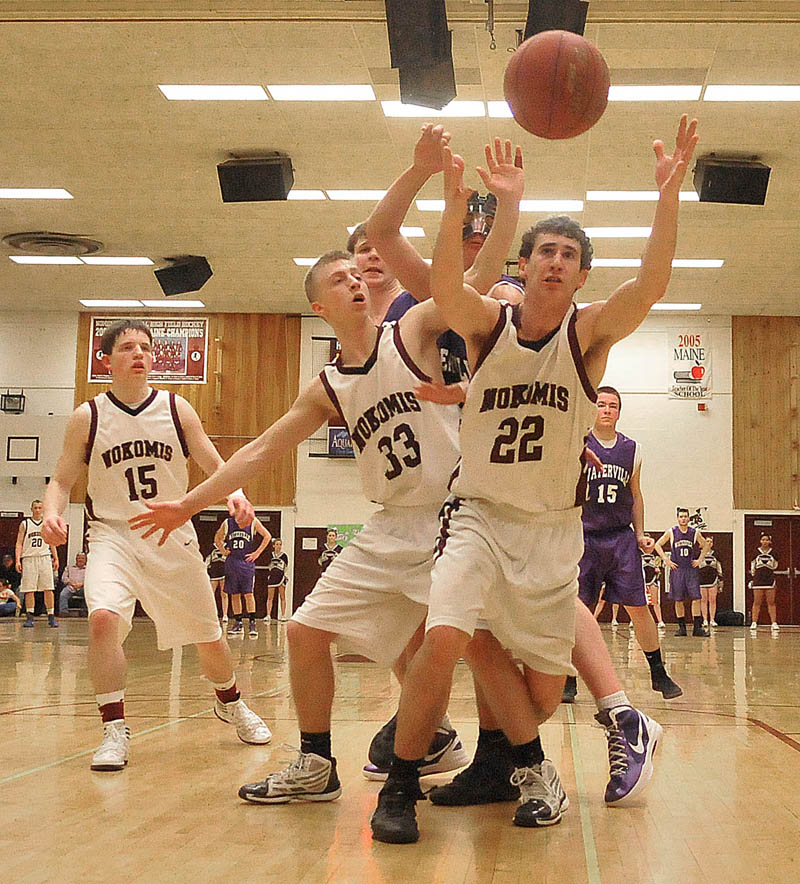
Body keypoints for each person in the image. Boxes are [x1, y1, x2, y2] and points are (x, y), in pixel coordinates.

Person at [370, 114, 698, 844]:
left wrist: (667, 195)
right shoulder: (487, 324)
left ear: (582, 275)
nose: (555, 261)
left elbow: (651, 284)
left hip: (552, 533)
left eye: (568, 254)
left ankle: (525, 760)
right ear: (524, 263)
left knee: (542, 699)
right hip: (479, 515)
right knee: (445, 637)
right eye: (544, 250)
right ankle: (399, 785)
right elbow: (445, 284)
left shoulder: (590, 333)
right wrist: (458, 204)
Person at [128, 242, 472, 806]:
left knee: (467, 650)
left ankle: (502, 754)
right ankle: (317, 763)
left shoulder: (410, 332)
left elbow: (461, 291)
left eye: (357, 274)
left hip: (453, 517)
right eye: (339, 279)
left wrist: (474, 223)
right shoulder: (327, 385)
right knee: (304, 631)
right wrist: (188, 504)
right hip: (390, 523)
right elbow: (262, 449)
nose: (355, 281)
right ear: (319, 308)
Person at [41, 318, 272, 772]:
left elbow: (214, 463)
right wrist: (52, 512)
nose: (140, 354)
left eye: (145, 347)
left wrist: (235, 494)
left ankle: (231, 702)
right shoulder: (88, 417)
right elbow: (62, 479)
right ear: (106, 360)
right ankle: (113, 729)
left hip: (171, 534)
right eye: (128, 347)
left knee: (209, 637)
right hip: (113, 535)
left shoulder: (175, 408)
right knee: (103, 621)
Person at [567, 387, 682, 700]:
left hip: (620, 538)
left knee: (638, 606)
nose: (606, 410)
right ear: (593, 409)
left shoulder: (633, 449)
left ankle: (658, 673)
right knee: (578, 610)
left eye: (612, 406)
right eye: (601, 404)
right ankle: (568, 677)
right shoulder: (577, 444)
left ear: (619, 412)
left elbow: (636, 494)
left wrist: (640, 532)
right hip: (585, 537)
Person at [215, 514, 271, 637]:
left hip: (246, 562)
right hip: (232, 562)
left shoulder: (253, 521)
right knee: (234, 594)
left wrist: (257, 553)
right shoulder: (227, 523)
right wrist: (223, 550)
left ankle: (252, 623)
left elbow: (267, 536)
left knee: (248, 594)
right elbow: (217, 538)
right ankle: (238, 623)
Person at [655, 507, 708, 636]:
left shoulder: (694, 532)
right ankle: (682, 628)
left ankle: (697, 628)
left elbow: (706, 545)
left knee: (696, 598)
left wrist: (700, 560)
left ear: (689, 518)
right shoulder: (672, 532)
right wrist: (666, 559)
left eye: (685, 516)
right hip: (677, 570)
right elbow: (657, 545)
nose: (683, 519)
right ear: (678, 518)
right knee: (678, 599)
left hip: (691, 569)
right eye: (681, 517)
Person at [16, 500, 59, 628]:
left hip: (44, 557)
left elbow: (51, 542)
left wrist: (56, 558)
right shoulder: (25, 524)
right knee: (29, 589)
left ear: (43, 509)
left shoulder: (46, 524)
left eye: (40, 508)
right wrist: (17, 559)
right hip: (29, 558)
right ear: (31, 509)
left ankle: (51, 616)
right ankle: (30, 617)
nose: (37, 510)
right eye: (35, 508)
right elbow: (19, 543)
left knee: (48, 588)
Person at [750, 533, 779, 632]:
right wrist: (753, 578)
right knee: (757, 602)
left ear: (770, 541)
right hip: (758, 580)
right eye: (763, 539)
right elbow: (752, 566)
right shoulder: (755, 552)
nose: (765, 541)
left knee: (771, 602)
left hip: (769, 580)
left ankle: (774, 623)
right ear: (760, 541)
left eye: (767, 540)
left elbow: (775, 565)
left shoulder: (774, 553)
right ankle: (754, 622)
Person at [698, 535, 723, 628]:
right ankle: (705, 619)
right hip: (701, 580)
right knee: (703, 600)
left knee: (712, 600)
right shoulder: (698, 554)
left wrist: (721, 580)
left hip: (713, 580)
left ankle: (712, 619)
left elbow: (719, 568)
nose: (709, 543)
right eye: (707, 541)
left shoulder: (716, 554)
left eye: (710, 541)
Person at [641, 540, 666, 628]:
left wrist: (658, 569)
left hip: (653, 580)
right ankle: (634, 621)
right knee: (639, 602)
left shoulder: (656, 556)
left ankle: (660, 621)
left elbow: (660, 569)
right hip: (641, 581)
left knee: (655, 602)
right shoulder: (637, 556)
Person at [265, 538, 289, 622]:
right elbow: (268, 566)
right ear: (273, 546)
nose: (279, 546)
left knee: (282, 596)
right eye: (277, 544)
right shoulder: (270, 555)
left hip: (281, 577)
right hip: (272, 577)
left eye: (280, 544)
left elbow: (286, 567)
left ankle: (283, 615)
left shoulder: (284, 556)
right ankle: (268, 615)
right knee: (270, 597)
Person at [205, 539, 228, 621]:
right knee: (211, 594)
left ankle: (225, 614)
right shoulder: (211, 547)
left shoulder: (227, 546)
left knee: (224, 594)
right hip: (213, 574)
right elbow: (207, 560)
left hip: (224, 573)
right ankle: (212, 614)